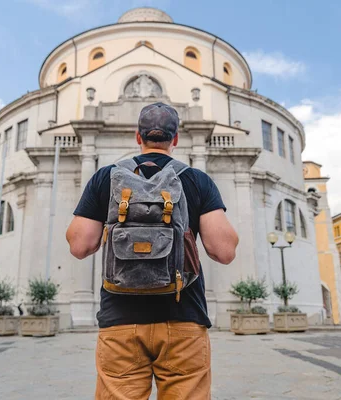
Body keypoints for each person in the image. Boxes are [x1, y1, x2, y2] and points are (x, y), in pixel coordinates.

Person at [66, 102, 239, 399]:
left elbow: (80, 246)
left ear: (138, 137)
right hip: (184, 318)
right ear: (175, 138)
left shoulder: (106, 177)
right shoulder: (196, 179)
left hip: (120, 321)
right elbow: (224, 251)